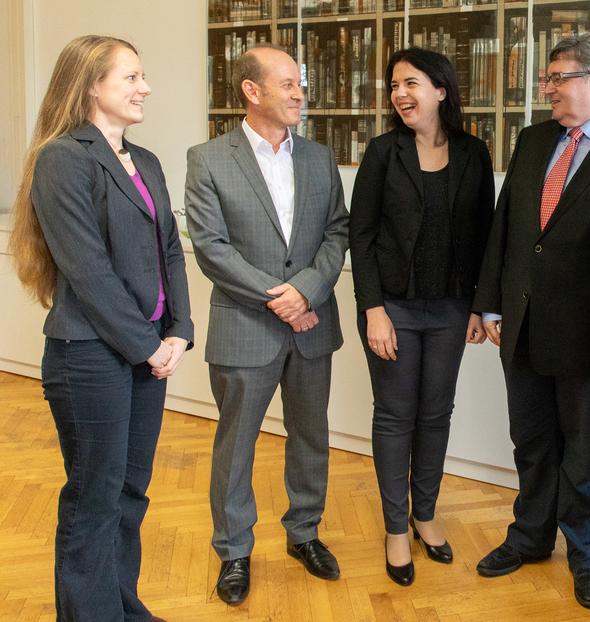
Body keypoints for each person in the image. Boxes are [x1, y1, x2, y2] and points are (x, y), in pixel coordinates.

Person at [8, 35, 193, 621]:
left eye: (142, 77)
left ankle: (122, 609)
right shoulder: (64, 157)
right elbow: (88, 271)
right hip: (88, 357)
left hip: (147, 353)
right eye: (130, 78)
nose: (145, 89)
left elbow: (169, 250)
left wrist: (180, 329)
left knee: (130, 496)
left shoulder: (148, 162)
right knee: (94, 499)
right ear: (90, 85)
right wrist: (147, 346)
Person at [472, 33, 590, 609]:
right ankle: (528, 539)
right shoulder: (533, 140)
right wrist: (489, 301)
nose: (546, 89)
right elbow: (509, 225)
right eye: (546, 80)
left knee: (585, 453)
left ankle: (586, 553)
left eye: (557, 79)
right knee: (531, 442)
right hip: (522, 323)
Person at [185, 44, 349, 604]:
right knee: (237, 446)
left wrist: (306, 291)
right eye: (286, 84)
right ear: (251, 92)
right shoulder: (207, 158)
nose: (300, 92)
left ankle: (304, 533)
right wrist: (279, 298)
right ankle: (233, 550)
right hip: (244, 327)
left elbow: (336, 233)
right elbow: (210, 246)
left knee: (311, 437)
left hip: (311, 326)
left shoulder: (320, 158)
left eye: (300, 83)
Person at [349, 47, 495, 587]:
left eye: (410, 83)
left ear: (441, 89)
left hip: (453, 309)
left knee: (436, 414)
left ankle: (425, 516)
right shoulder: (383, 152)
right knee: (394, 415)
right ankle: (394, 528)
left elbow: (486, 236)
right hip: (395, 309)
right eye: (393, 86)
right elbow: (359, 237)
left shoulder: (474, 153)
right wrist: (373, 310)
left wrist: (482, 304)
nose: (400, 94)